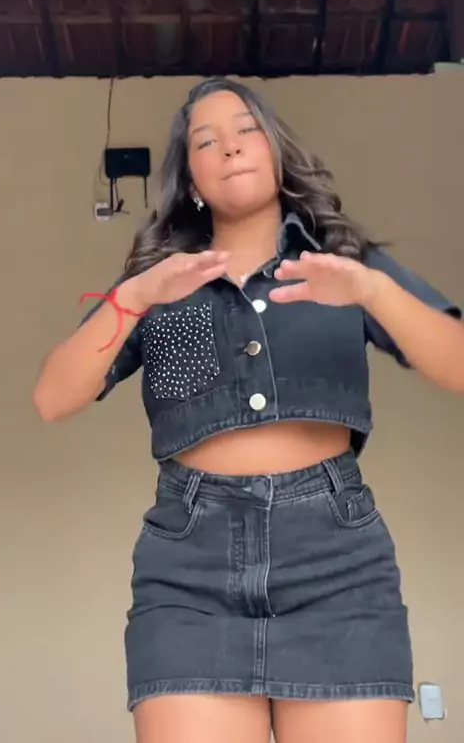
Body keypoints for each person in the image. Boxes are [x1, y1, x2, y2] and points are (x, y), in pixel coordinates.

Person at [33, 77, 463, 743]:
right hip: (189, 571)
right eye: (206, 142)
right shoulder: (159, 281)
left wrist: (372, 291)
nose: (229, 148)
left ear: (277, 152)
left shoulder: (344, 263)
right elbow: (53, 398)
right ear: (192, 181)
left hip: (337, 564)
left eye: (245, 130)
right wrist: (136, 295)